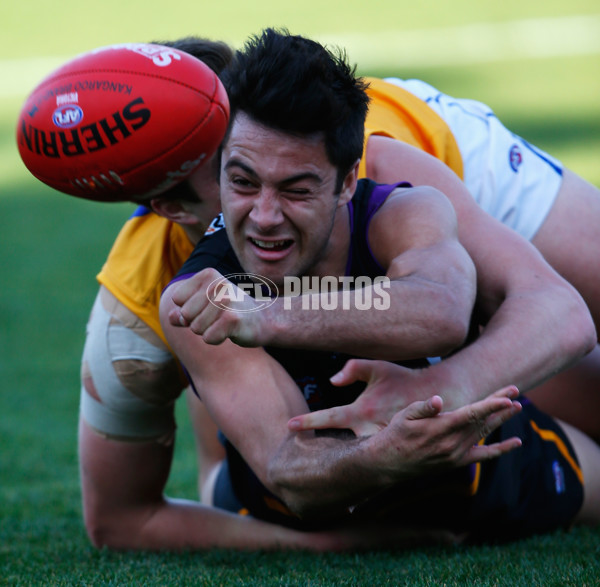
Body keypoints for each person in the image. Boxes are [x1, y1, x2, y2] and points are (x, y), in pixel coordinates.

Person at [80, 31, 598, 549]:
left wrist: (429, 392)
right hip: (292, 473)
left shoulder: (400, 188)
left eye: (295, 189)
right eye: (240, 181)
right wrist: (380, 459)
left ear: (347, 180)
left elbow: (450, 309)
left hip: (446, 163)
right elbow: (282, 472)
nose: (263, 215)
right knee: (217, 385)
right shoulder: (170, 292)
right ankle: (222, 436)